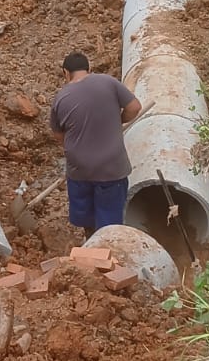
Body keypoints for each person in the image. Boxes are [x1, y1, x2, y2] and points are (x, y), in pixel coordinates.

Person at [49, 52, 141, 239]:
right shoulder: (109, 82)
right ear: (89, 69)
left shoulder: (61, 98)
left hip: (80, 170)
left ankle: (91, 244)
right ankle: (107, 249)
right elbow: (134, 107)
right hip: (111, 168)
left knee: (85, 215)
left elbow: (59, 135)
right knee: (110, 218)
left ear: (66, 72)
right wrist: (118, 121)